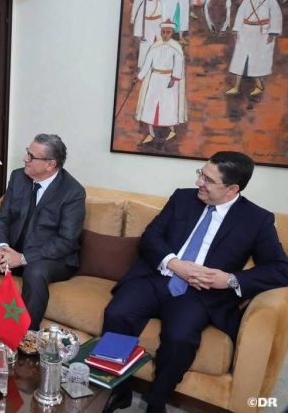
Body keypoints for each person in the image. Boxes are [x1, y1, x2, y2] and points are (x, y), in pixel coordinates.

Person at [101, 151, 288, 413]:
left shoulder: (257, 220)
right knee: (117, 313)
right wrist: (175, 263)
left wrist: (231, 279)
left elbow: (280, 269)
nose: (199, 182)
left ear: (232, 189)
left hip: (200, 294)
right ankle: (118, 390)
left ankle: (156, 401)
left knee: (179, 338)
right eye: (201, 173)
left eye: (208, 180)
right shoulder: (182, 198)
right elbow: (151, 236)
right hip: (159, 277)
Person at [0, 134, 85, 331]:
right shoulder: (18, 177)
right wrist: (2, 248)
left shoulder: (72, 192)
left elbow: (67, 241)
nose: (25, 159)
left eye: (31, 156)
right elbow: (2, 217)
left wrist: (23, 258)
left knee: (35, 272)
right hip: (13, 251)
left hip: (50, 259)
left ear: (50, 164)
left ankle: (25, 337)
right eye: (27, 153)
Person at [134, 19, 187, 144]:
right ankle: (151, 133)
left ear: (172, 33)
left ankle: (172, 131)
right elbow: (147, 64)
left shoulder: (176, 47)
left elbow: (179, 64)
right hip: (155, 79)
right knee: (151, 105)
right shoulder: (154, 46)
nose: (165, 35)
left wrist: (174, 78)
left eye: (168, 32)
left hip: (168, 81)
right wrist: (139, 77)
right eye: (163, 32)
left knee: (168, 106)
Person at [226, 0, 282, 96]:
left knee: (256, 61)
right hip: (245, 32)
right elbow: (240, 15)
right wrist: (236, 29)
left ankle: (259, 86)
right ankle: (236, 87)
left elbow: (276, 16)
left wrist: (272, 32)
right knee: (240, 59)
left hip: (260, 34)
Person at [132, 0, 164, 68]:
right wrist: (139, 34)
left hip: (159, 23)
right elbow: (139, 19)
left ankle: (161, 64)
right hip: (147, 24)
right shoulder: (143, 4)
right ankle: (142, 66)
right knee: (145, 45)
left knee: (161, 42)